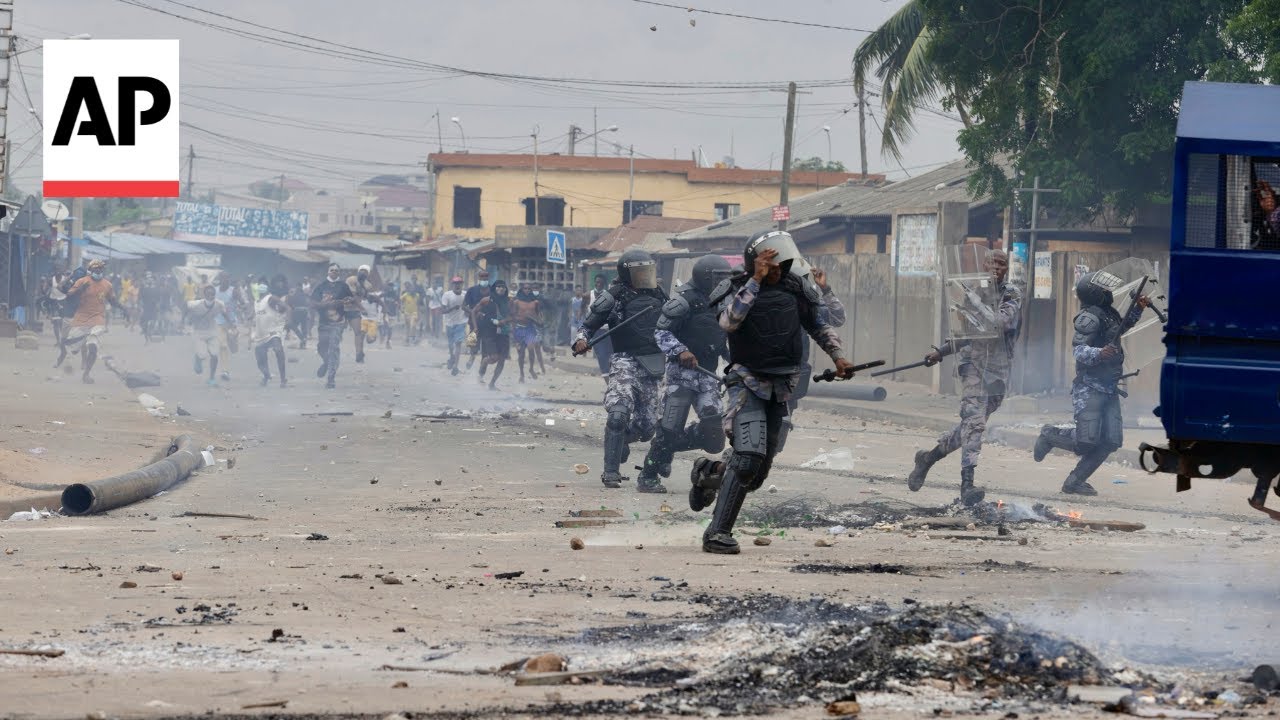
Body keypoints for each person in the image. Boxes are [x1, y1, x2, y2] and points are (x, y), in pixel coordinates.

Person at [694, 232, 855, 554]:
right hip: (747, 382)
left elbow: (820, 325)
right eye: (771, 264)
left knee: (753, 475)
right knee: (747, 457)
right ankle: (717, 534)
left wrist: (838, 357)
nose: (778, 269)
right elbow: (729, 321)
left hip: (782, 387)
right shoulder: (737, 288)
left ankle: (708, 472)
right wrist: (755, 280)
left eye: (781, 263)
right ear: (755, 262)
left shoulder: (797, 290)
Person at [907, 249, 1020, 506]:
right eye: (992, 263)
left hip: (999, 370)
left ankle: (929, 458)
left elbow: (999, 323)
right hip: (974, 367)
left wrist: (975, 300)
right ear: (984, 264)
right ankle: (967, 486)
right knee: (975, 423)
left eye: (1001, 264)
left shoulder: (1011, 294)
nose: (996, 268)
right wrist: (941, 351)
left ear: (1007, 269)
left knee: (970, 426)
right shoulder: (973, 291)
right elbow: (966, 331)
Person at [1034, 272, 1152, 495]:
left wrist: (1138, 307)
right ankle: (1049, 435)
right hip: (1089, 386)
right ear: (1094, 293)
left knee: (1111, 440)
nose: (1108, 293)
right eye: (1104, 291)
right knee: (1086, 441)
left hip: (1109, 386)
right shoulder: (1088, 317)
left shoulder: (1109, 314)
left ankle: (1074, 481)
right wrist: (1099, 353)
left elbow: (1120, 329)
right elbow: (1078, 351)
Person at [636, 254, 733, 494]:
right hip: (682, 374)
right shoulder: (684, 300)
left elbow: (726, 337)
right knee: (670, 426)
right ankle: (647, 475)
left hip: (708, 375)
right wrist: (681, 351)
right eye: (718, 277)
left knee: (714, 437)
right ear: (705, 276)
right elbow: (661, 333)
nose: (722, 282)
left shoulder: (726, 301)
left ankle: (668, 449)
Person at [572, 250, 668, 489]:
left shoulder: (658, 294)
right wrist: (581, 340)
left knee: (647, 428)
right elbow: (588, 325)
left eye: (648, 270)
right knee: (618, 413)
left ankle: (621, 440)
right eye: (640, 271)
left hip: (653, 362)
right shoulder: (613, 296)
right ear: (627, 273)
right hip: (625, 360)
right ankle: (611, 471)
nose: (645, 275)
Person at [55, 260, 123, 384]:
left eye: (100, 269)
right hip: (75, 318)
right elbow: (65, 291)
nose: (98, 272)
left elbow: (112, 300)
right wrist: (77, 286)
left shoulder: (107, 285)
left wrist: (123, 309)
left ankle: (86, 373)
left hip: (96, 319)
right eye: (95, 269)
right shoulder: (80, 283)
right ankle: (65, 362)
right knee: (68, 343)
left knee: (91, 346)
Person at [312, 263, 354, 389]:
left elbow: (350, 301)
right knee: (321, 347)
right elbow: (313, 302)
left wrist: (345, 308)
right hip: (323, 322)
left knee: (333, 348)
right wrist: (322, 305)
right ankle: (326, 363)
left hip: (338, 322)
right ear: (328, 272)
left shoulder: (343, 286)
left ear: (339, 273)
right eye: (332, 270)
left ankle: (331, 378)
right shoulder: (321, 286)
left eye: (336, 270)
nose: (334, 272)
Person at [252, 275, 291, 388]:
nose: (262, 286)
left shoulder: (271, 298)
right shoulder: (256, 301)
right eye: (260, 284)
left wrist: (288, 320)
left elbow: (287, 308)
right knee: (260, 359)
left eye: (264, 284)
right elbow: (253, 313)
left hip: (274, 331)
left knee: (278, 350)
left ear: (268, 287)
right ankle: (266, 375)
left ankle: (283, 379)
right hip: (261, 334)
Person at [472, 279, 511, 390]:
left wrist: (505, 321)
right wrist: (475, 327)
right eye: (498, 286)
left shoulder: (508, 301)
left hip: (503, 333)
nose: (501, 289)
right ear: (494, 288)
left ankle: (492, 384)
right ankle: (481, 371)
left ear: (505, 289)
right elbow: (473, 312)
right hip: (489, 332)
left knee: (502, 359)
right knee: (493, 358)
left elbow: (513, 315)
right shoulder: (486, 300)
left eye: (503, 287)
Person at [186, 284, 228, 386]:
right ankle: (198, 358)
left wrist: (231, 324)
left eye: (213, 294)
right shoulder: (195, 304)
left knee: (214, 355)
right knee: (203, 354)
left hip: (212, 331)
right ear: (204, 295)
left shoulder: (219, 304)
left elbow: (224, 313)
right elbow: (185, 305)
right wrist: (184, 319)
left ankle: (212, 378)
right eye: (209, 294)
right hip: (199, 332)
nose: (211, 296)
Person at [511, 283, 543, 382]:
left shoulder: (535, 302)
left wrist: (538, 320)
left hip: (530, 328)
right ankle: (521, 374)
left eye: (529, 289)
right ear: (522, 289)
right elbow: (512, 316)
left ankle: (531, 368)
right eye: (525, 288)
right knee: (521, 354)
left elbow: (538, 315)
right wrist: (514, 330)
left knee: (531, 348)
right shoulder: (516, 302)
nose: (527, 290)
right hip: (519, 328)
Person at [213, 272, 242, 382]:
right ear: (220, 279)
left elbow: (242, 302)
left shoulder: (233, 291)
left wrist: (244, 307)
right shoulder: (214, 291)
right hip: (218, 322)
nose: (225, 280)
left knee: (233, 349)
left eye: (227, 278)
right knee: (222, 346)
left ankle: (234, 342)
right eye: (223, 278)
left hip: (231, 323)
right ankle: (225, 371)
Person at [346, 264, 377, 363]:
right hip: (343, 308)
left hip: (355, 310)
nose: (363, 272)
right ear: (358, 271)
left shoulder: (368, 285)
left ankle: (359, 354)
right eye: (361, 270)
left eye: (365, 271)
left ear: (368, 274)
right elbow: (353, 296)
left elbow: (368, 297)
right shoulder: (351, 280)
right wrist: (362, 308)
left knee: (358, 333)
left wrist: (381, 304)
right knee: (336, 330)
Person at [463, 270, 492, 370]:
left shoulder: (493, 290)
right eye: (482, 277)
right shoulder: (472, 290)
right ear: (479, 278)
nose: (484, 279)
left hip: (488, 323)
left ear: (488, 277)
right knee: (472, 342)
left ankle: (481, 370)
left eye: (486, 277)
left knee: (486, 347)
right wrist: (474, 312)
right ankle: (472, 357)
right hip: (474, 321)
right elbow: (463, 306)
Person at [586, 274, 614, 375]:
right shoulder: (588, 295)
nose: (598, 284)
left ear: (604, 284)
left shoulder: (609, 296)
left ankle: (611, 376)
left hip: (608, 330)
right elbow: (582, 309)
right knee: (601, 355)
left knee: (610, 355)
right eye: (597, 282)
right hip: (596, 331)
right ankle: (606, 375)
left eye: (601, 283)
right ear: (594, 282)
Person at [441, 276, 468, 374]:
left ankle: (455, 366)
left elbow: (470, 306)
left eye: (459, 283)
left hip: (461, 322)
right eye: (456, 283)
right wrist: (452, 308)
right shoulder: (447, 295)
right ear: (452, 285)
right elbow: (442, 310)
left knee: (458, 343)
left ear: (462, 284)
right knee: (450, 344)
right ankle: (452, 357)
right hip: (449, 323)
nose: (458, 285)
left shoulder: (466, 294)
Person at [286, 282, 311, 349]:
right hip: (305, 311)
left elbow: (289, 303)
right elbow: (309, 303)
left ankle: (302, 338)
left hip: (297, 311)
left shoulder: (293, 294)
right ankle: (303, 344)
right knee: (304, 327)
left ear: (296, 287)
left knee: (292, 325)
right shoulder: (305, 294)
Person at [379, 285, 399, 349]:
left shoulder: (395, 295)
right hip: (386, 312)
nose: (390, 288)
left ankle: (388, 342)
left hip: (393, 313)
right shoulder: (385, 294)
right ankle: (382, 337)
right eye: (389, 286)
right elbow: (378, 297)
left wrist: (397, 305)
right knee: (386, 325)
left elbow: (398, 302)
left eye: (391, 286)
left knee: (390, 328)